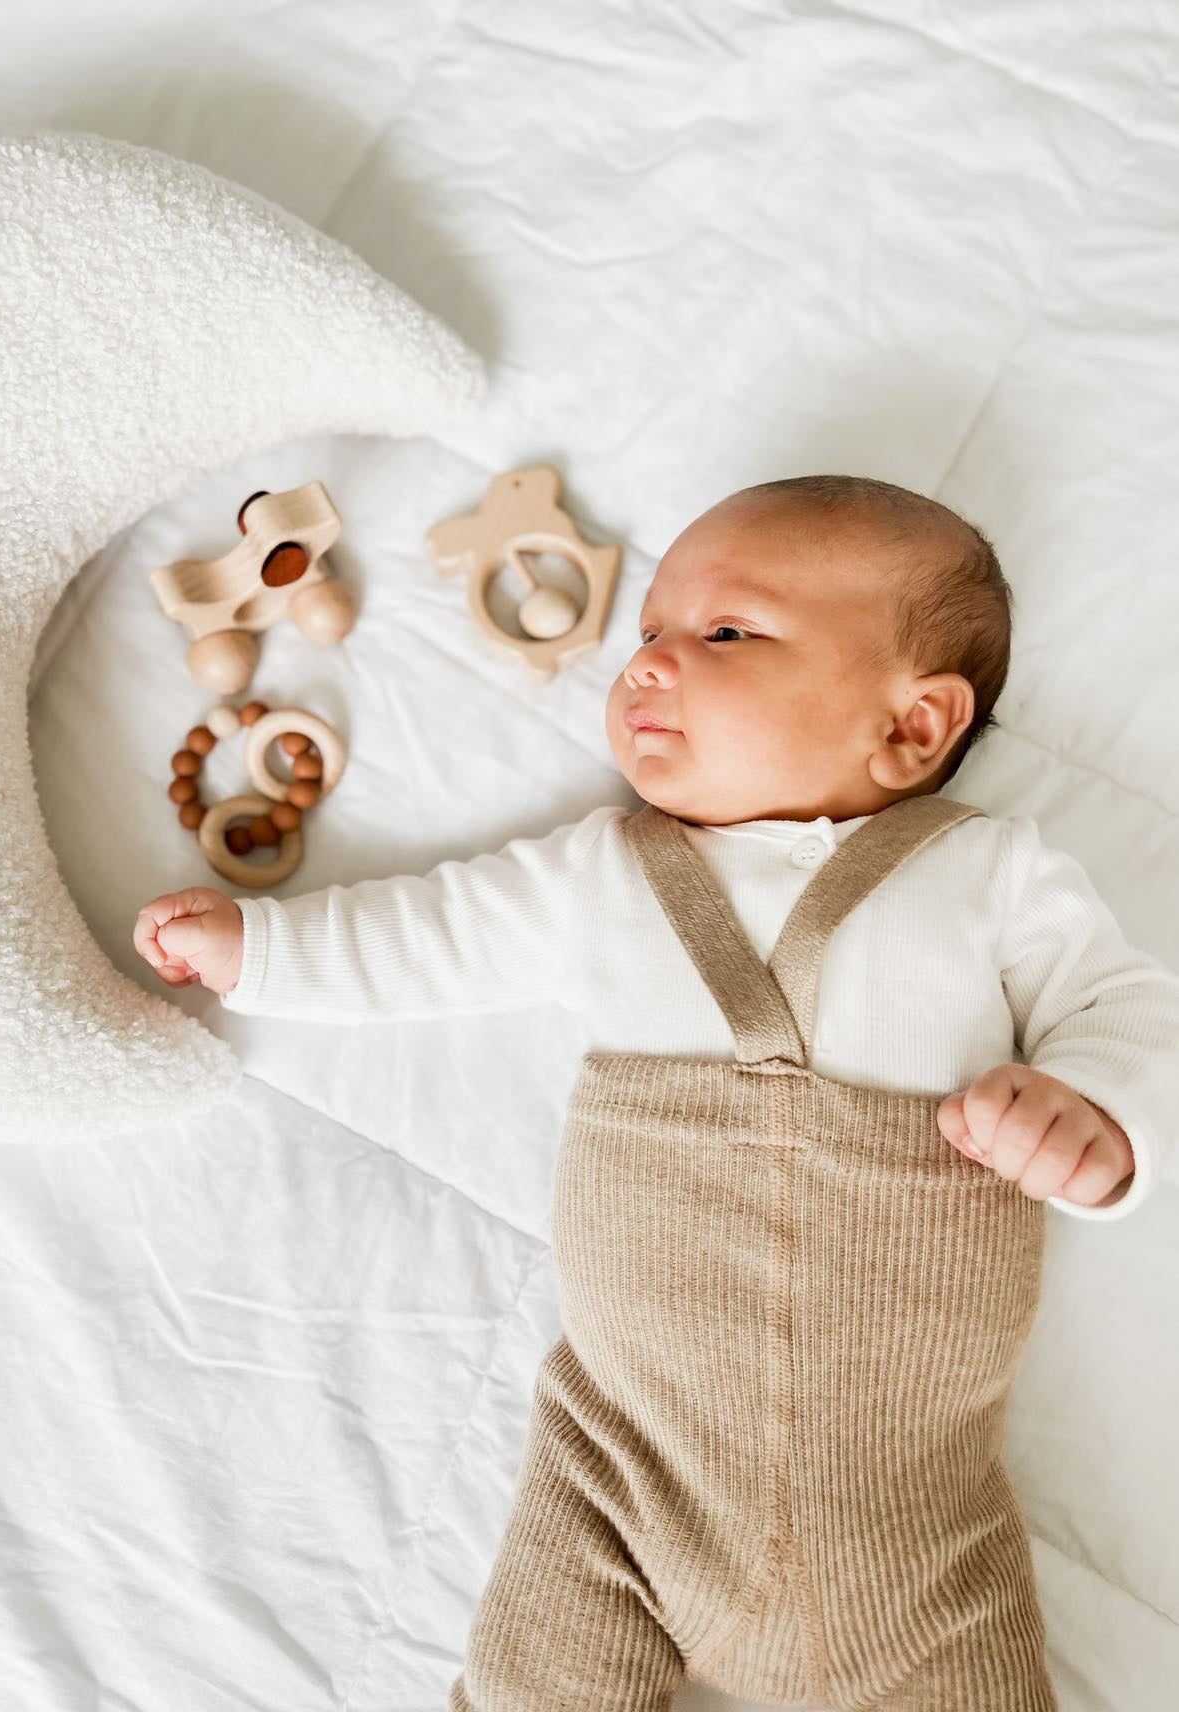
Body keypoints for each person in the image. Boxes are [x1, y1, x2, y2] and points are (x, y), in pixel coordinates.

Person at [135, 475, 1179, 1709]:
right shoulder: (603, 871)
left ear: (913, 724)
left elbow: (1128, 1008)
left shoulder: (987, 871)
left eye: (725, 633)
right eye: (646, 635)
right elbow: (432, 936)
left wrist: (1094, 1119)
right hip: (625, 1473)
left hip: (910, 1516)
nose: (649, 665)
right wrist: (262, 951)